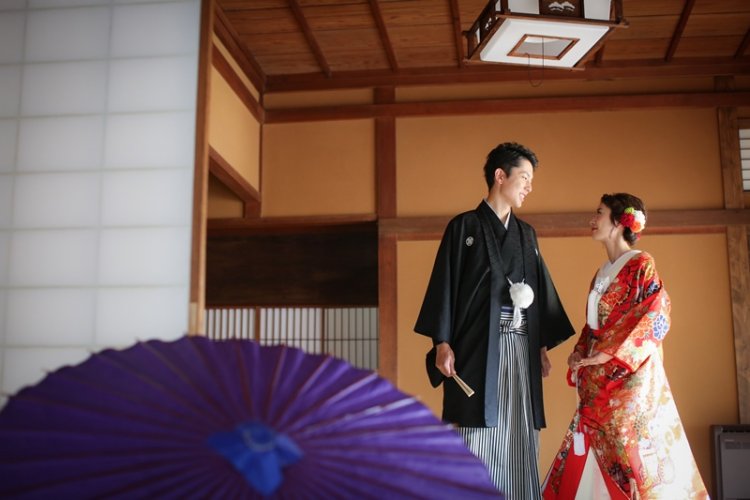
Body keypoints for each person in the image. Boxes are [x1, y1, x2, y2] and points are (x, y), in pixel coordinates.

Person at [414, 142, 575, 499]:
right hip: (475, 349)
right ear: (500, 176)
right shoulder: (464, 227)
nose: (529, 186)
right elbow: (445, 285)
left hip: (520, 346)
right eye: (524, 177)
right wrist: (441, 342)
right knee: (476, 433)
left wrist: (541, 346)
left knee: (519, 432)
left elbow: (540, 293)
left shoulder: (526, 234)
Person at [541, 193, 709, 500]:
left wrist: (607, 353)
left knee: (630, 450)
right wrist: (581, 352)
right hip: (599, 376)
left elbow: (656, 312)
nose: (593, 220)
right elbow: (592, 327)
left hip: (630, 379)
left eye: (599, 213)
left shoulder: (642, 263)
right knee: (595, 446)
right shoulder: (601, 274)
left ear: (619, 223)